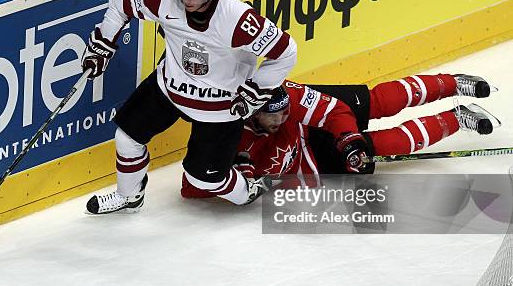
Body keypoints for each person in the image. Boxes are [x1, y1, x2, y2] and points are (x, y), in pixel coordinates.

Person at [81, 0, 297, 214]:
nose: (187, 0)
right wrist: (103, 43)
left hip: (220, 106)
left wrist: (258, 89)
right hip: (170, 86)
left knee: (203, 179)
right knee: (126, 138)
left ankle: (247, 192)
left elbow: (287, 51)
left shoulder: (236, 18)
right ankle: (129, 195)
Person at [181, 73, 498, 196]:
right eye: (273, 114)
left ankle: (452, 83)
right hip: (308, 159)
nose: (281, 118)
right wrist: (235, 178)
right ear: (252, 112)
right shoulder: (224, 133)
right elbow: (192, 186)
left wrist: (348, 140)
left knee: (374, 104)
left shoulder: (289, 99)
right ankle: (456, 119)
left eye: (283, 111)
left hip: (312, 127)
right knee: (380, 147)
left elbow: (335, 113)